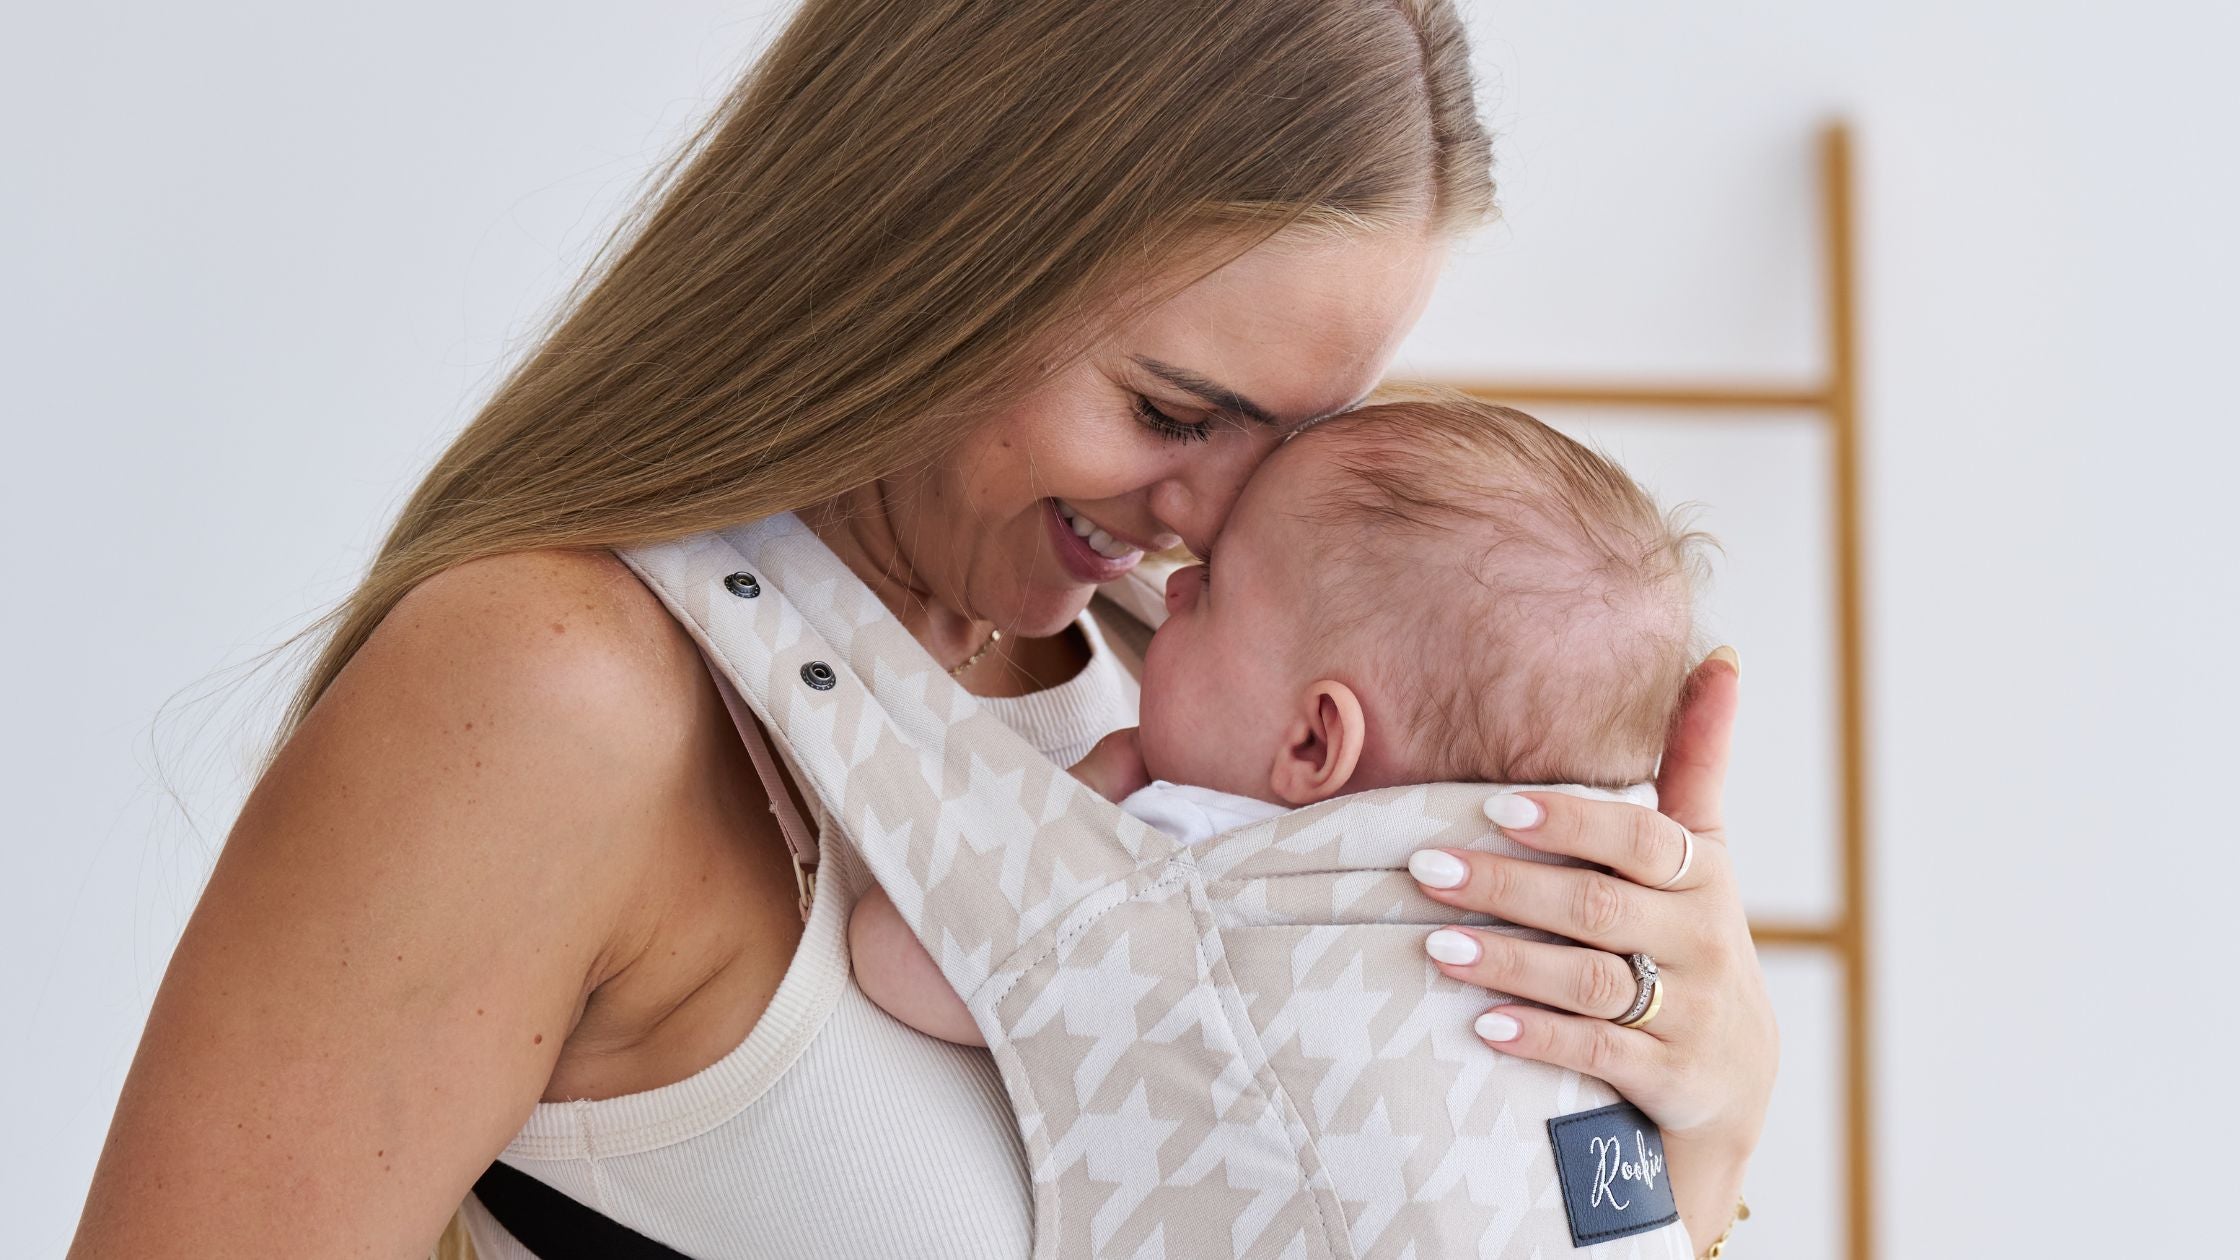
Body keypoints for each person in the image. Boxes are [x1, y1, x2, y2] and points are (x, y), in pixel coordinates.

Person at [67, 3, 1775, 1258]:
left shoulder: (1205, 739)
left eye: (1298, 439)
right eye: (1178, 409)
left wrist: (1690, 1127)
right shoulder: (565, 699)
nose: (1214, 525)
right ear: (938, 254)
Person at [851, 394, 1708, 1056]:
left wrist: (1077, 800)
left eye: (1214, 585)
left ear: (1311, 744)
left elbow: (902, 960)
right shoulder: (1560, 938)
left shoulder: (1190, 863)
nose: (1173, 580)